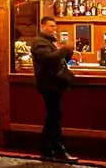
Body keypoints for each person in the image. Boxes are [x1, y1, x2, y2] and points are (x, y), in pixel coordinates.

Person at [30, 16, 77, 163]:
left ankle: (47, 149)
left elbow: (59, 60)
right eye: (51, 26)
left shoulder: (49, 42)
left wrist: (69, 51)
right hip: (48, 84)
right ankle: (57, 150)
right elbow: (48, 59)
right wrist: (64, 49)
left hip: (54, 83)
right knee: (54, 117)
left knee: (53, 116)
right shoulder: (39, 42)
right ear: (42, 26)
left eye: (55, 27)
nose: (53, 29)